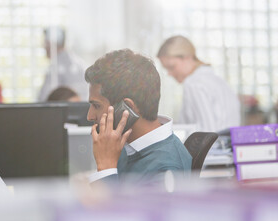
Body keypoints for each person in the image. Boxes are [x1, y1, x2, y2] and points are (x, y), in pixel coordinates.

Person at [85, 49, 192, 186]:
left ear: (127, 108)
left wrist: (105, 168)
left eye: (97, 106)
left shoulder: (166, 170)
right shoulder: (123, 148)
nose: (90, 116)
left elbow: (110, 208)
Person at [157, 35, 240, 132]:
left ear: (187, 57)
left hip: (213, 146)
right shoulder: (218, 81)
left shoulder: (193, 84)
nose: (169, 73)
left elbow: (207, 132)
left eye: (171, 67)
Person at [38, 27, 88, 101]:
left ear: (52, 44)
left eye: (46, 42)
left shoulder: (57, 67)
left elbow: (44, 99)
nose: (43, 46)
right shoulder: (79, 63)